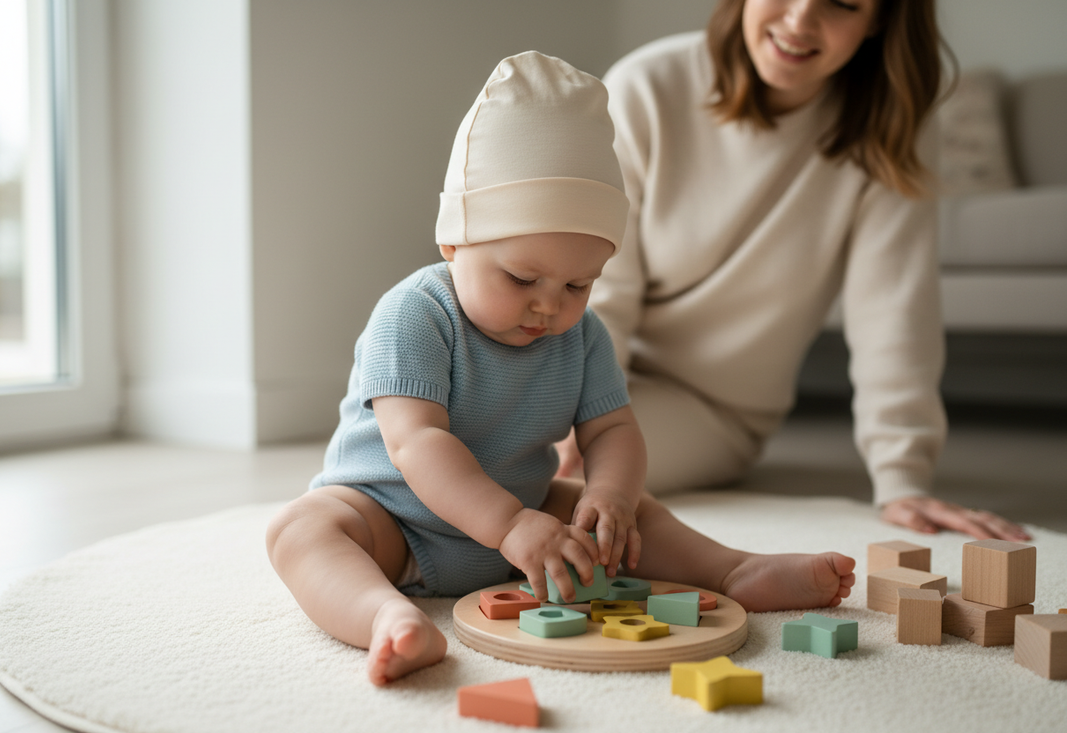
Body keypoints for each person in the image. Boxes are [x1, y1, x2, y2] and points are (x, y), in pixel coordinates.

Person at [266, 51, 856, 687]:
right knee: (302, 528)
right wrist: (510, 526)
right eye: (522, 278)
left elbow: (614, 432)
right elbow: (416, 444)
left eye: (580, 283)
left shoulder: (582, 337)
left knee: (627, 514)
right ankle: (385, 618)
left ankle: (733, 569)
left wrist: (611, 496)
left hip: (528, 521)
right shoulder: (414, 315)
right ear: (454, 242)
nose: (549, 305)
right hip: (395, 523)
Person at [555, 0, 1030, 542]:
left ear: (879, 19)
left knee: (547, 470)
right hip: (596, 367)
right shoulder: (647, 85)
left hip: (715, 411)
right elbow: (603, 284)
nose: (801, 20)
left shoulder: (892, 123)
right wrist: (576, 400)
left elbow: (894, 309)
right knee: (476, 433)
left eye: (842, 3)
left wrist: (904, 480)